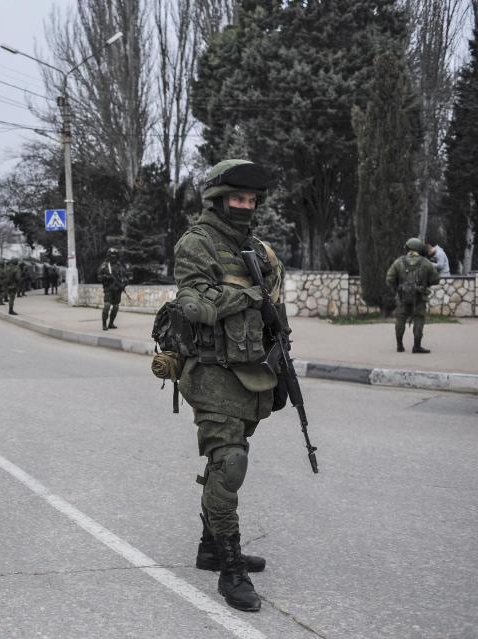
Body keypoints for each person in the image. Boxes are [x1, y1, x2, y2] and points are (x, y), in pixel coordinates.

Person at [173, 159, 287, 613]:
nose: (246, 206)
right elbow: (193, 305)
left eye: (251, 200)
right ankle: (230, 568)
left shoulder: (259, 250)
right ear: (217, 200)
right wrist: (247, 295)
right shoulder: (196, 244)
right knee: (230, 461)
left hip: (252, 370)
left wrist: (282, 362)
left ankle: (208, 546)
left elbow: (275, 310)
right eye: (237, 199)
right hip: (210, 370)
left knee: (233, 459)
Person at [386, 238, 440, 353]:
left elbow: (389, 279)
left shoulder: (399, 262)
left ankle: (399, 345)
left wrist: (398, 289)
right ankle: (416, 346)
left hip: (402, 298)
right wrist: (425, 284)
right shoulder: (426, 263)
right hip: (419, 298)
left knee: (400, 319)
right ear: (420, 249)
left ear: (408, 248)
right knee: (419, 320)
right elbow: (436, 280)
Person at [97, 248, 128, 330]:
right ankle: (104, 324)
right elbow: (99, 277)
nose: (113, 257)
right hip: (108, 289)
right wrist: (106, 277)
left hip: (117, 289)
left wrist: (124, 284)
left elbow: (125, 276)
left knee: (116, 307)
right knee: (107, 306)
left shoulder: (119, 266)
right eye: (111, 255)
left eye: (115, 255)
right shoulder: (105, 265)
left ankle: (111, 323)